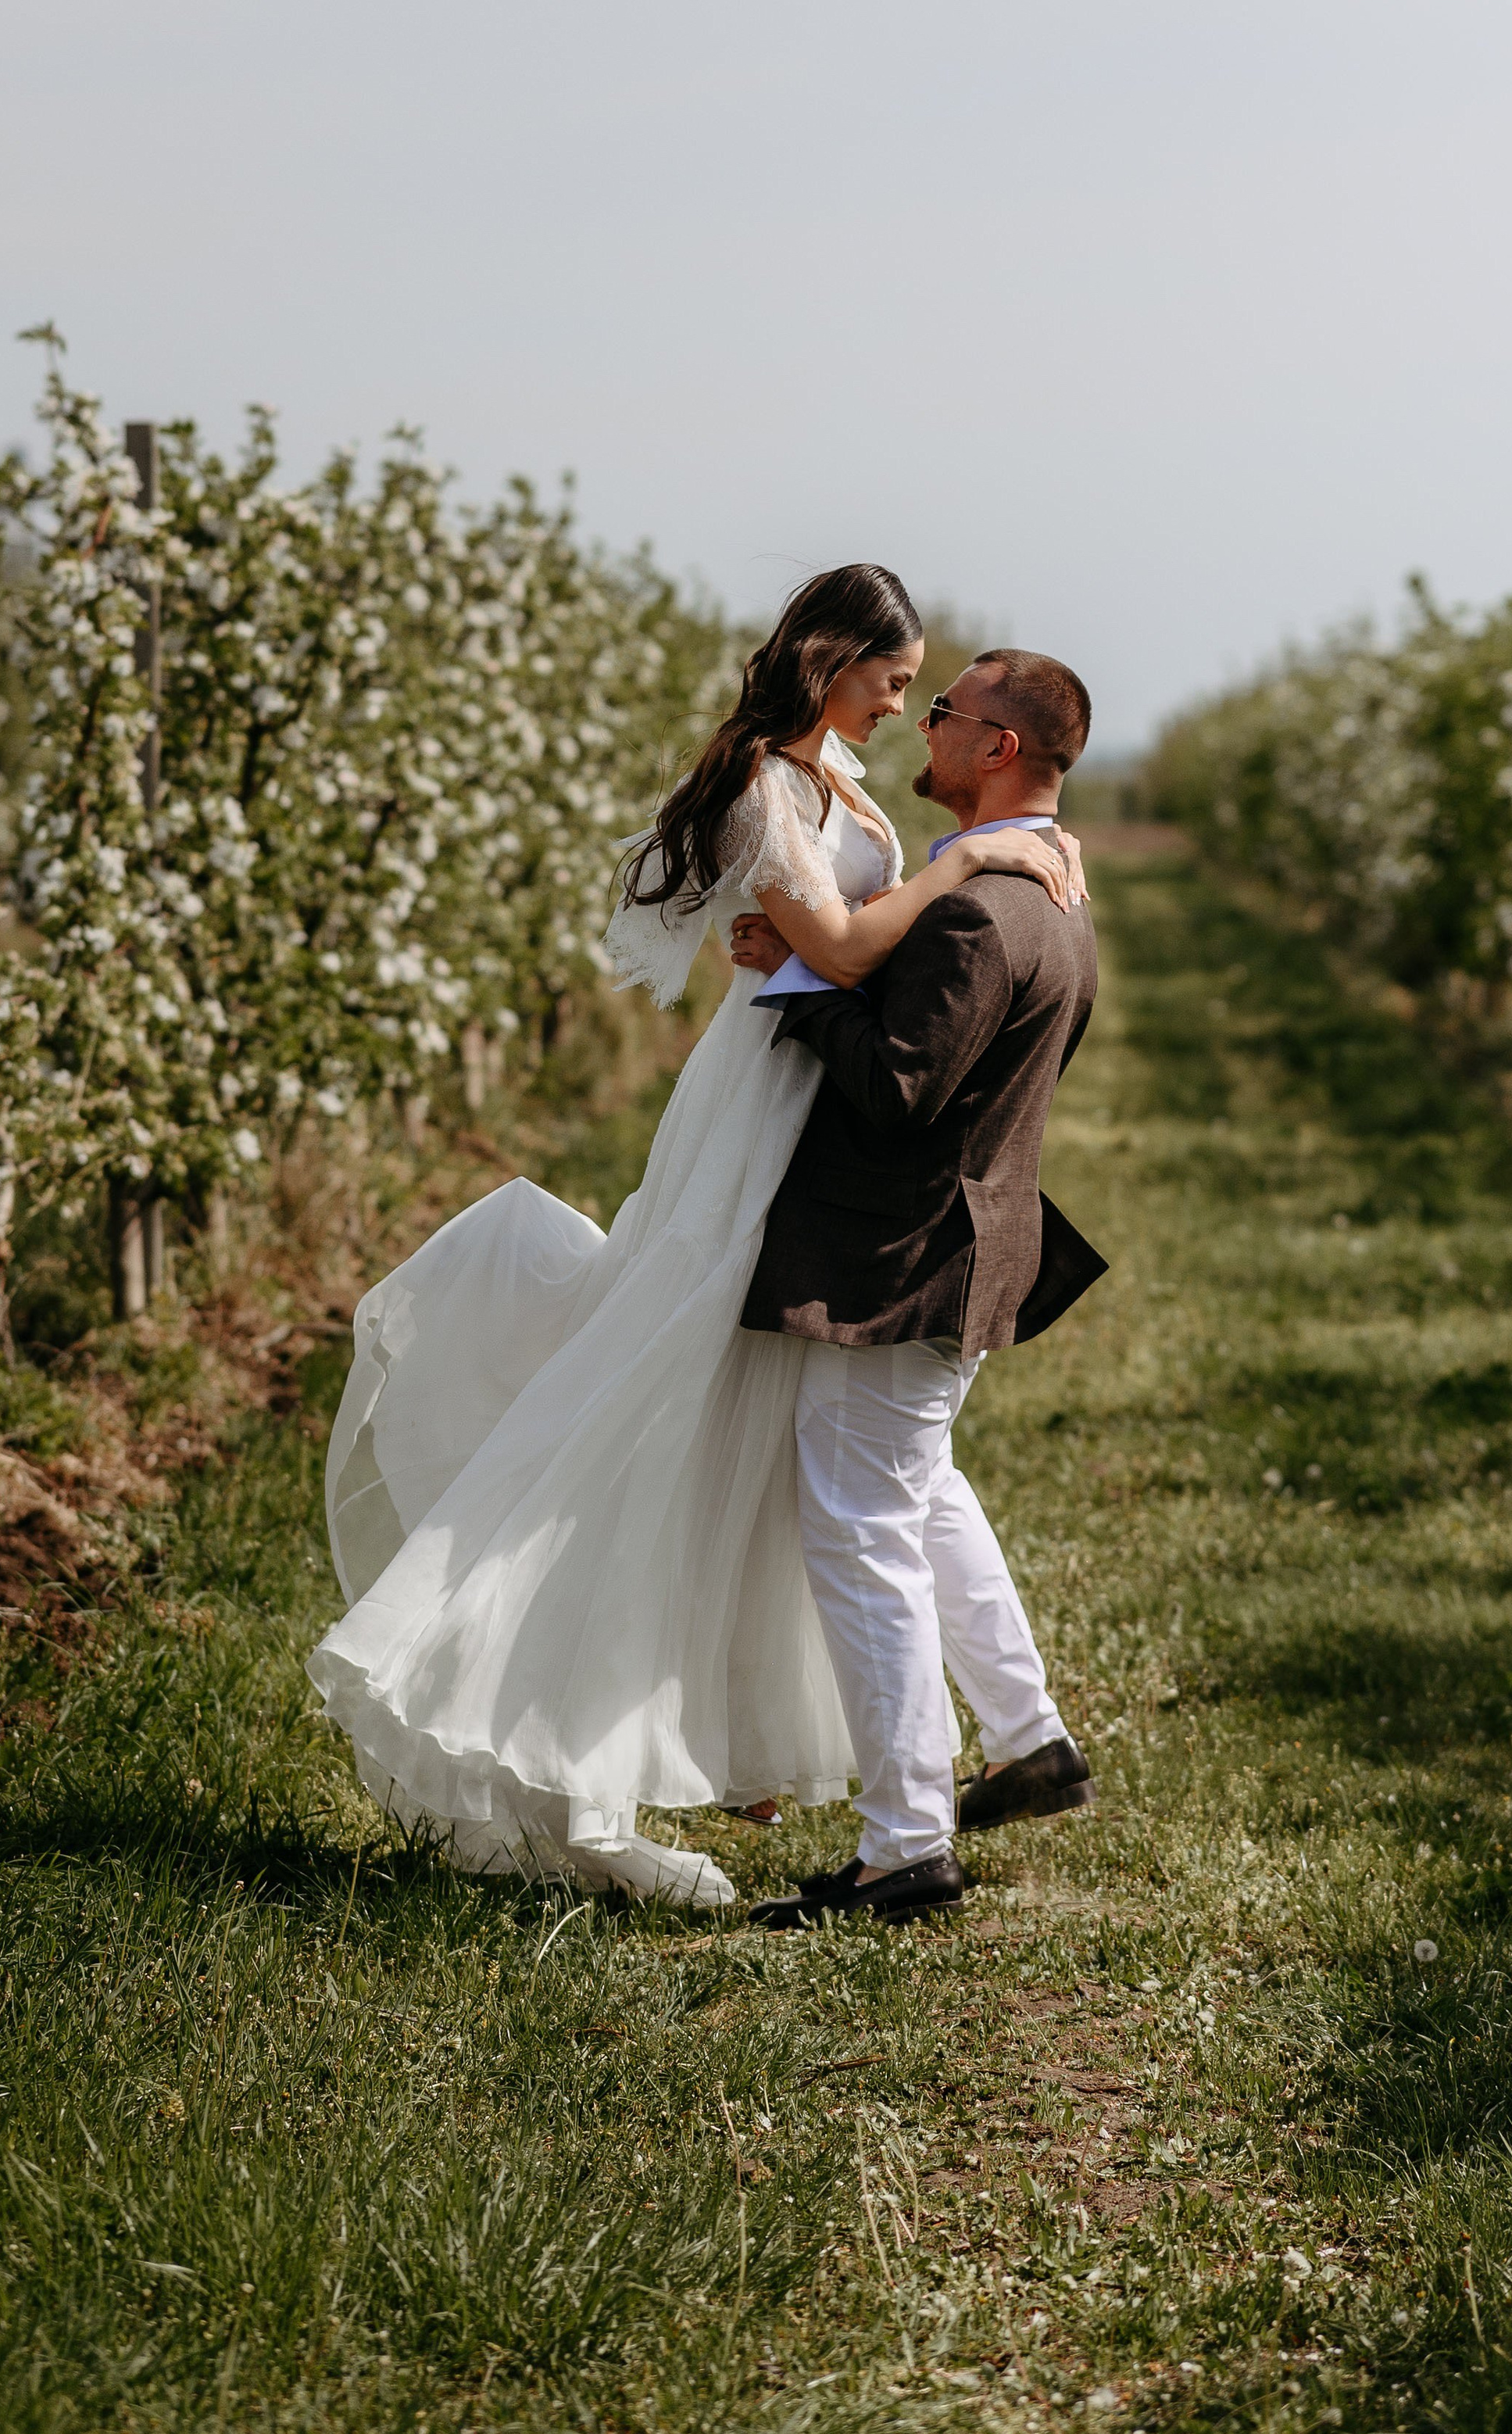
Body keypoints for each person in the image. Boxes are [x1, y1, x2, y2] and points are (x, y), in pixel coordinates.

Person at [308, 565, 1075, 1906]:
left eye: (929, 698)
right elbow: (833, 949)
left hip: (813, 1115)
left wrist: (948, 875)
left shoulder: (838, 777)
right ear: (837, 660)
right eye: (899, 683)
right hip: (760, 1110)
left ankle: (750, 1735)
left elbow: (842, 962)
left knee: (794, 1454)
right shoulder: (760, 788)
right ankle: (581, 1753)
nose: (907, 708)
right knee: (663, 1404)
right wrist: (972, 860)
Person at [724, 645, 1108, 1930]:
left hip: (905, 1258)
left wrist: (787, 969)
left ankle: (904, 1850)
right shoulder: (1056, 893)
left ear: (996, 747)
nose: (924, 726)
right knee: (918, 1490)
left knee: (862, 1531)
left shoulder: (980, 908)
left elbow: (899, 1091)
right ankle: (1027, 1738)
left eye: (944, 711)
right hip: (974, 1245)